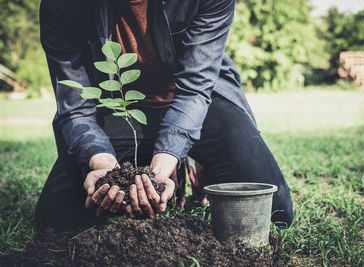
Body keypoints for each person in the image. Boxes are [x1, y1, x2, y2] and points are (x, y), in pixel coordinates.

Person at [35, 0, 294, 229]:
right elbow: (75, 106)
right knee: (57, 217)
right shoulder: (62, 5)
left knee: (276, 210)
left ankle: (187, 159)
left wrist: (164, 161)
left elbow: (195, 87)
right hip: (120, 107)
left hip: (199, 101)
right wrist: (101, 162)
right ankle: (168, 163)